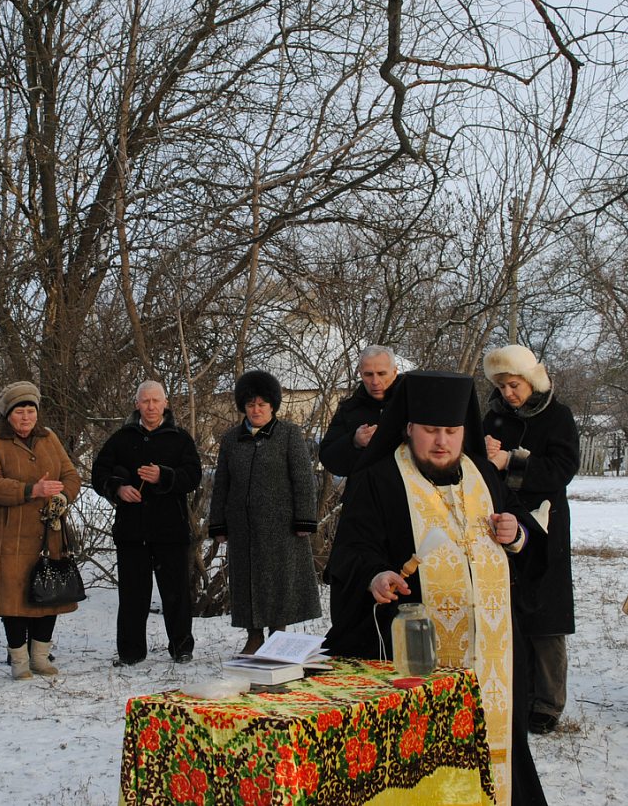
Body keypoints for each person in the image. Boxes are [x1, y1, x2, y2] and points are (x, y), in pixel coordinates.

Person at [324, 370, 547, 806]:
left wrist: (515, 532)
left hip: (492, 655)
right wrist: (376, 575)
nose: (441, 441)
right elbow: (351, 551)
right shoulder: (379, 480)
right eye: (430, 431)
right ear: (409, 428)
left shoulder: (484, 477)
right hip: (413, 653)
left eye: (451, 431)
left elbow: (530, 540)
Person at [483, 344, 581, 736]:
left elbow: (563, 468)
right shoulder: (492, 417)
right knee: (510, 611)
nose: (509, 393)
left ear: (531, 380)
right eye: (502, 386)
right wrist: (484, 456)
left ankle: (547, 701)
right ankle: (518, 693)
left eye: (514, 384)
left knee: (546, 615)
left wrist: (511, 461)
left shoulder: (557, 416)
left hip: (545, 523)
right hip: (501, 519)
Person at [208, 370, 321, 655]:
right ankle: (253, 635)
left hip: (281, 526)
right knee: (247, 582)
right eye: (250, 405)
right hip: (243, 526)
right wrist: (218, 523)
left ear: (272, 405)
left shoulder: (289, 435)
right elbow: (221, 482)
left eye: (261, 404)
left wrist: (305, 517)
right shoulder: (232, 440)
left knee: (279, 580)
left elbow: (303, 479)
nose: (255, 410)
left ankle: (278, 636)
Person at [0, 382, 82, 679]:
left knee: (49, 594)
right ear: (8, 415)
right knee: (13, 598)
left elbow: (71, 475)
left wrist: (62, 496)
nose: (26, 417)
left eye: (30, 411)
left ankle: (40, 656)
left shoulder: (49, 438)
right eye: (19, 411)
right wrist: (30, 489)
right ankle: (19, 660)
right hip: (9, 534)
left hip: (49, 532)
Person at [91, 381, 201, 666]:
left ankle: (182, 648)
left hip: (171, 529)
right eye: (145, 401)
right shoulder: (121, 438)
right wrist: (118, 489)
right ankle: (130, 652)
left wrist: (163, 476)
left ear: (165, 403)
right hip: (132, 530)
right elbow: (99, 473)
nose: (151, 407)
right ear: (137, 404)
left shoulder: (180, 438)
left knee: (176, 593)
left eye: (155, 401)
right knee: (132, 595)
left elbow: (193, 476)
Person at [318, 345, 400, 477]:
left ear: (395, 372)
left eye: (381, 373)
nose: (375, 381)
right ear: (361, 374)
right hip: (363, 494)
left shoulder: (412, 405)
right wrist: (354, 442)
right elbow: (328, 459)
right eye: (368, 374)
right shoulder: (350, 409)